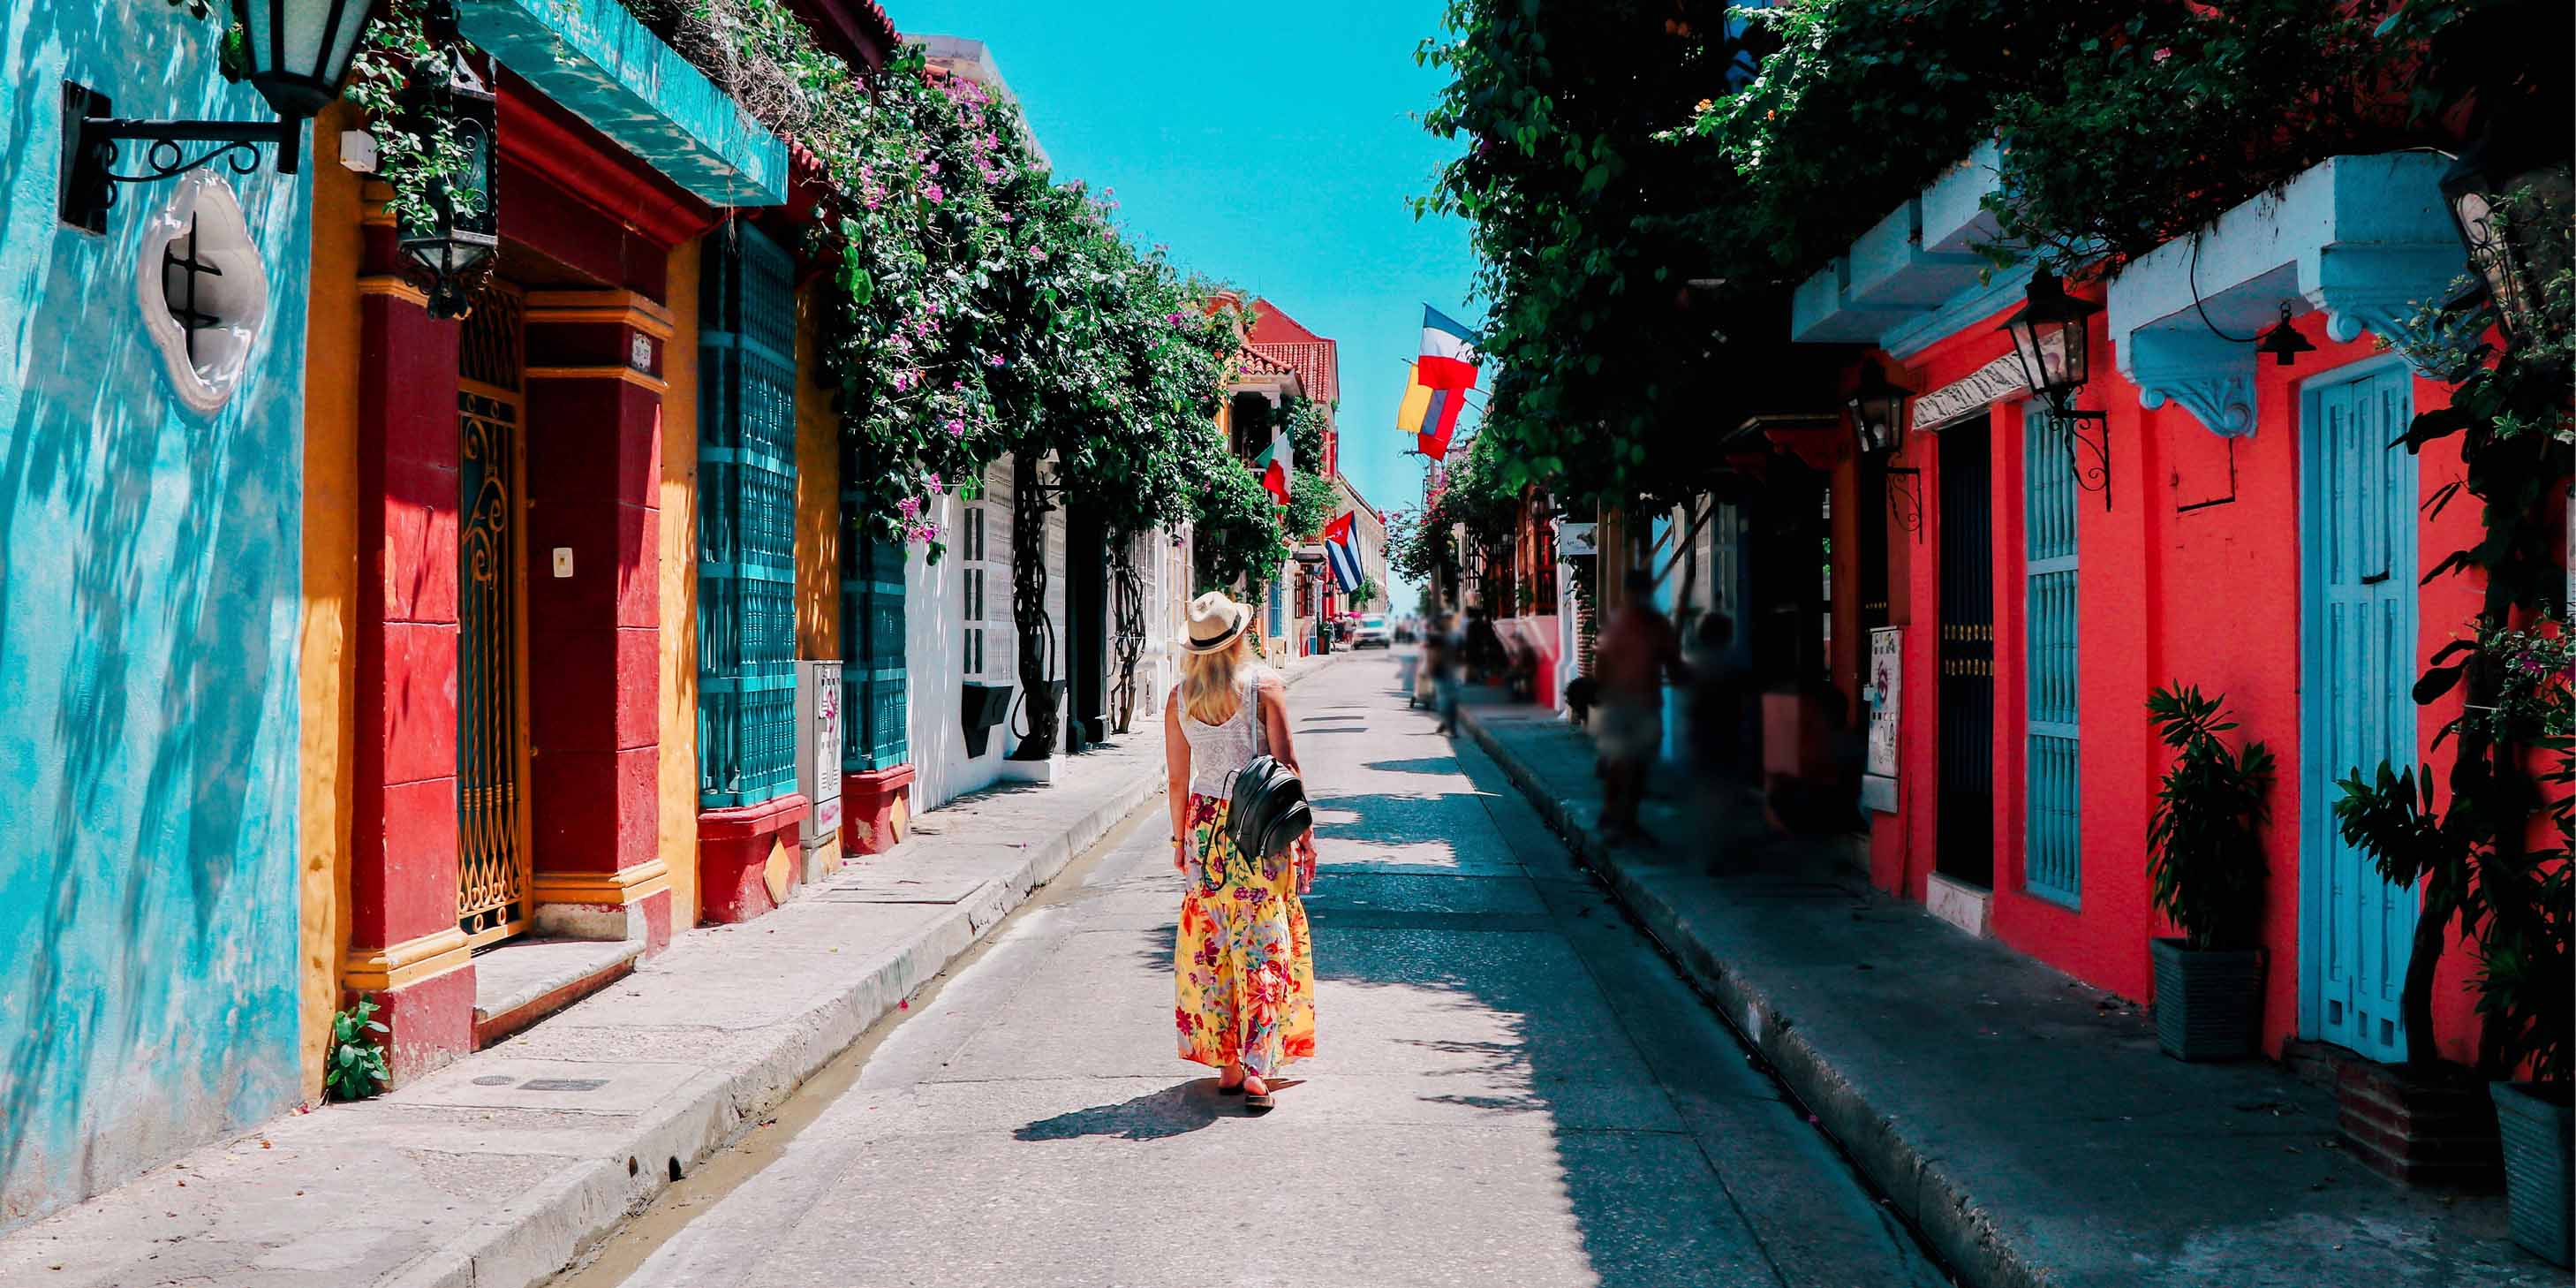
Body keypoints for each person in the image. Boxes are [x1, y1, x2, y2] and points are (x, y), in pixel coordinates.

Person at [1163, 591, 1318, 1114]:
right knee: (1263, 945)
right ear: (1241, 637)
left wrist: (1180, 843)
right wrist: (1308, 838)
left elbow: (1178, 781)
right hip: (1259, 831)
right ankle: (1257, 1069)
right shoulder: (1264, 688)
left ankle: (1228, 1065)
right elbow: (1287, 767)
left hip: (1206, 830)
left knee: (1214, 947)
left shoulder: (1180, 698)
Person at [1592, 567, 1685, 845]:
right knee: (1620, 762)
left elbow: (1672, 663)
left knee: (1639, 763)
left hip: (1644, 704)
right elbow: (1602, 665)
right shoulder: (1619, 624)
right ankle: (1612, 816)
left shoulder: (1656, 626)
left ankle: (1627, 819)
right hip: (1620, 704)